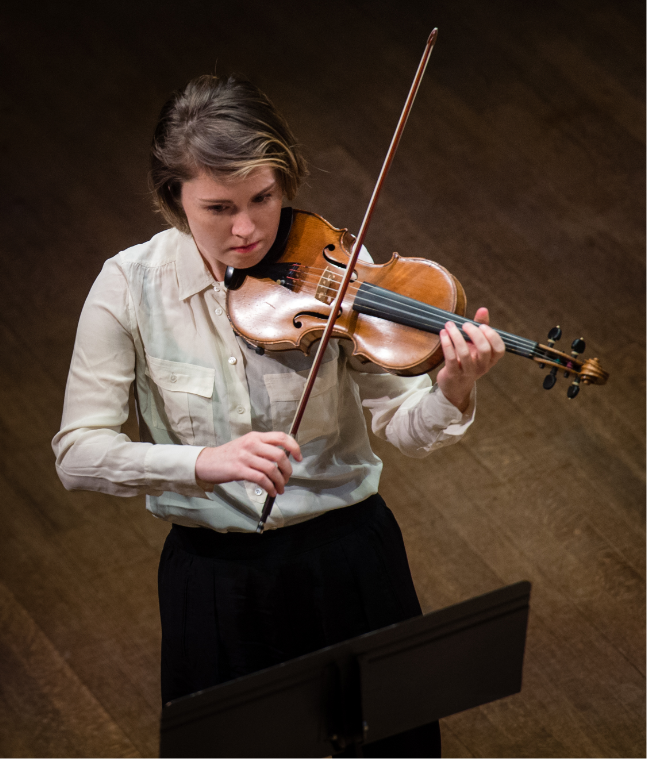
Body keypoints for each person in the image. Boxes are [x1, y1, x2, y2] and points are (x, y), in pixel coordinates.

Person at [52, 74, 504, 758]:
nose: (246, 228)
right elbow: (77, 454)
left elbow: (407, 427)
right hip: (216, 581)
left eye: (263, 198)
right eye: (217, 207)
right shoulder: (129, 287)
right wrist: (206, 463)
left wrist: (451, 389)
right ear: (173, 199)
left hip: (351, 559)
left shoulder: (336, 268)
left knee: (396, 748)